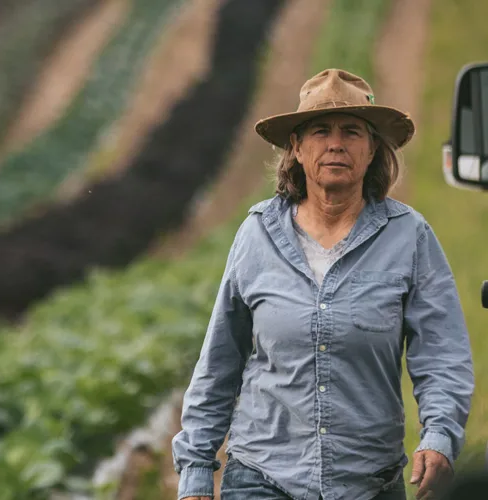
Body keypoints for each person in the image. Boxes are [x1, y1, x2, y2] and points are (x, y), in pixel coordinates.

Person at [170, 68, 476, 500]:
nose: (335, 144)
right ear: (295, 147)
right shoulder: (257, 235)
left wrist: (439, 435)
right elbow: (219, 362)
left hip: (368, 482)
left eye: (352, 132)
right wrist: (197, 469)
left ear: (372, 150)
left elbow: (442, 353)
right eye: (319, 131)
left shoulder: (409, 237)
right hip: (262, 477)